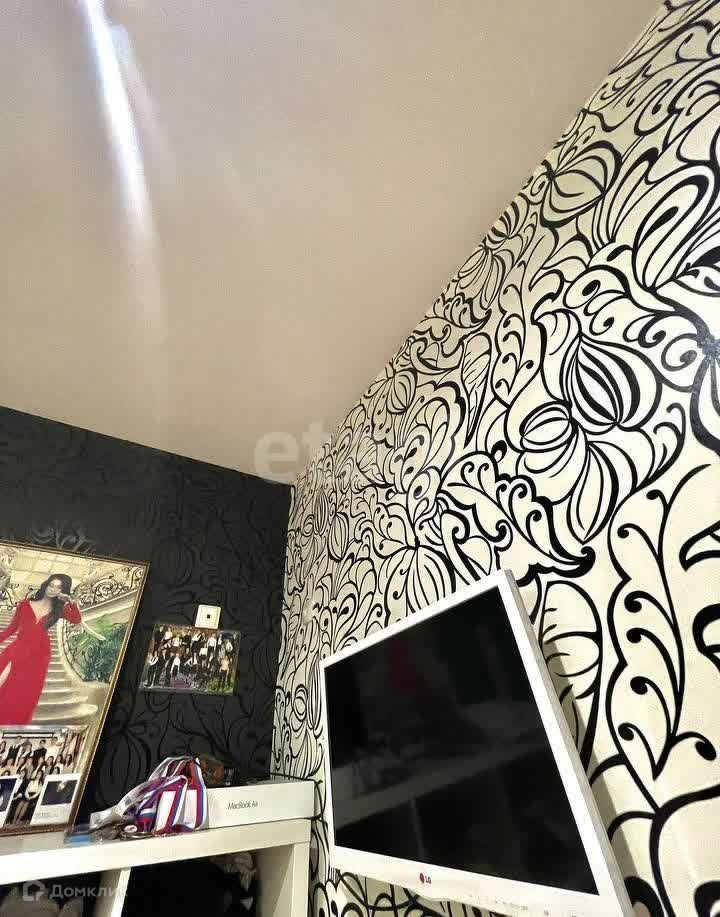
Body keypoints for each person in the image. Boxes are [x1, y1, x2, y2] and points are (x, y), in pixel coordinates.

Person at [0, 574, 82, 724]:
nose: (53, 589)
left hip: (39, 656)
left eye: (58, 587)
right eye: (51, 585)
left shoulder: (59, 610)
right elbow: (11, 629)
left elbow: (76, 619)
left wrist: (71, 601)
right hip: (18, 649)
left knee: (21, 694)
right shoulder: (25, 605)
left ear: (62, 591)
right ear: (46, 585)